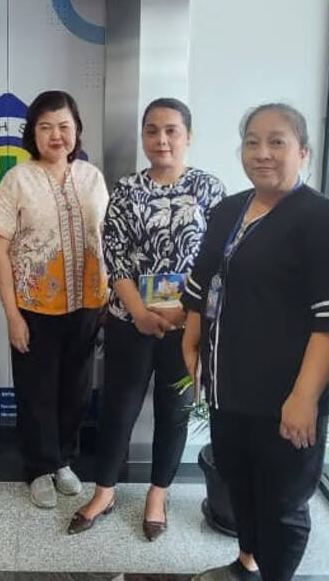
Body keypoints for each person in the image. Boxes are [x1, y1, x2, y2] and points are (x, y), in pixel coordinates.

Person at [182, 104, 329, 581]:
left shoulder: (324, 222)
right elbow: (203, 281)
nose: (262, 153)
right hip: (228, 388)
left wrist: (303, 399)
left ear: (303, 151)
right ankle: (246, 562)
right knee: (238, 483)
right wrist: (191, 342)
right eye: (252, 142)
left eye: (277, 142)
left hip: (287, 395)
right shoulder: (229, 210)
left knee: (282, 502)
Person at [68, 98, 226, 540]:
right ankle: (104, 491)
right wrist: (138, 312)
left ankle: (158, 494)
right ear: (143, 136)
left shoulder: (210, 190)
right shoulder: (126, 190)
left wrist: (186, 311)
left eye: (172, 130)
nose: (161, 139)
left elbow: (219, 262)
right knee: (118, 408)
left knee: (174, 411)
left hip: (187, 324)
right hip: (129, 320)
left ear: (188, 136)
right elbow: (114, 256)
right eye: (152, 130)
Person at [0, 90, 109, 509]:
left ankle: (64, 461)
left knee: (76, 388)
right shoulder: (18, 179)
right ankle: (38, 467)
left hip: (88, 303)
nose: (56, 135)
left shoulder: (92, 177)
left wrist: (110, 297)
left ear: (77, 130)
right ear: (33, 134)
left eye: (64, 126)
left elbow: (106, 239)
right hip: (34, 307)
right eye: (46, 127)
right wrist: (11, 315)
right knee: (36, 390)